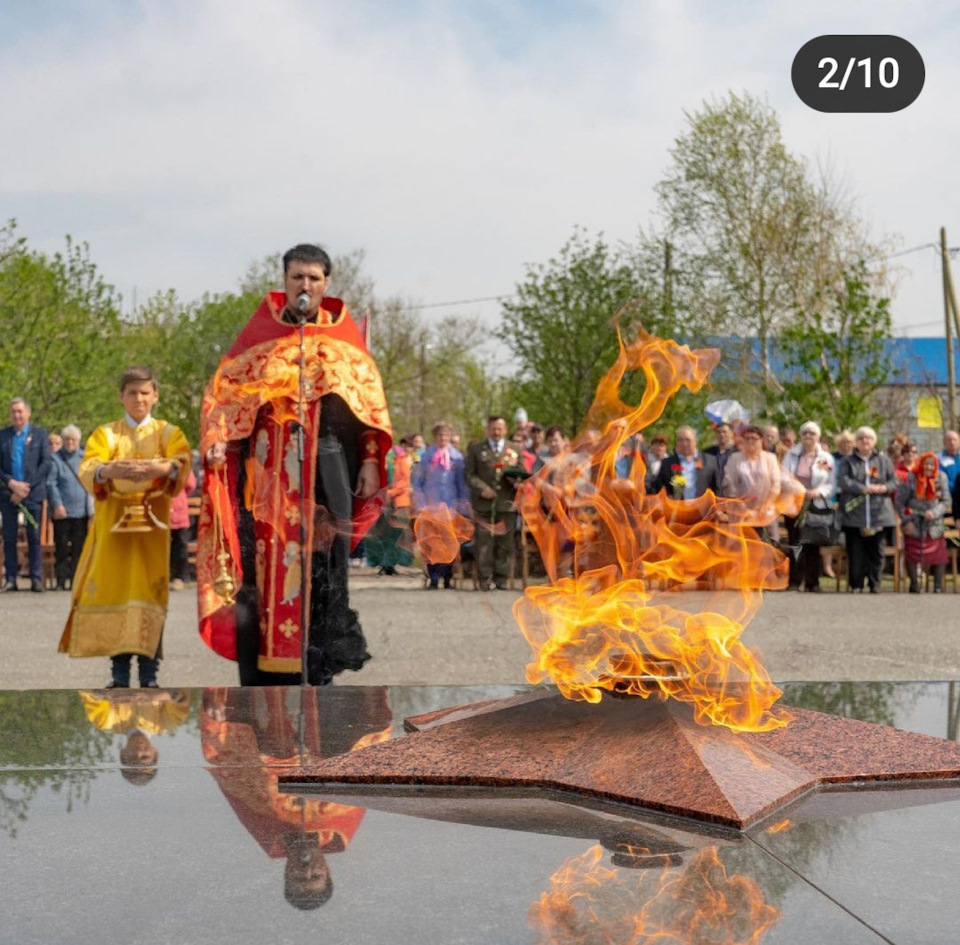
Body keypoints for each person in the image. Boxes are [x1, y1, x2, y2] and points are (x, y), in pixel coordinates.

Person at [198, 243, 391, 686]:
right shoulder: (259, 337)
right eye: (297, 277)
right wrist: (215, 441)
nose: (306, 285)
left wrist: (370, 458)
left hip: (327, 467)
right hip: (266, 475)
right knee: (261, 565)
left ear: (326, 284)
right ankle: (265, 672)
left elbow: (369, 408)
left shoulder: (343, 341)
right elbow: (224, 399)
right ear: (284, 281)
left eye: (314, 278)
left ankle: (318, 668)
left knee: (325, 563)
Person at [58, 368, 191, 687]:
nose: (139, 399)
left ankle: (149, 674)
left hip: (151, 534)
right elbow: (89, 467)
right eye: (132, 392)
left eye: (145, 393)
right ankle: (118, 674)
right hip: (113, 535)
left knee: (150, 599)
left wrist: (164, 467)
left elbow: (181, 463)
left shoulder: (168, 432)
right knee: (116, 598)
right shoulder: (107, 434)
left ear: (156, 396)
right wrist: (109, 470)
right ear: (121, 396)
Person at [0, 397, 53, 592]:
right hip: (8, 494)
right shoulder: (3, 436)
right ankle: (11, 578)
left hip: (33, 494)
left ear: (28, 413)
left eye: (20, 411)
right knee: (9, 536)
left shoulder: (39, 435)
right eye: (13, 411)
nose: (16, 415)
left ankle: (36, 578)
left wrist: (25, 488)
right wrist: (12, 484)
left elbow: (45, 464)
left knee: (34, 536)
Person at [837, 426, 897, 593]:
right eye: (861, 438)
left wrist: (883, 487)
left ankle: (875, 584)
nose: (865, 441)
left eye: (868, 438)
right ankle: (856, 584)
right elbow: (843, 480)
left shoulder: (883, 460)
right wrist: (862, 488)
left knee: (877, 551)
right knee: (856, 552)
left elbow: (894, 481)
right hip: (855, 516)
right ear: (856, 441)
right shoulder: (847, 461)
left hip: (879, 515)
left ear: (874, 441)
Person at [412, 421, 469, 589]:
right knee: (432, 543)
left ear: (450, 437)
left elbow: (461, 485)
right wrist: (421, 505)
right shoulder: (426, 457)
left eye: (446, 435)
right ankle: (434, 577)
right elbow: (418, 483)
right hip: (431, 506)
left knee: (449, 543)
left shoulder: (457, 458)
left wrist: (462, 505)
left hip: (450, 506)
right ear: (435, 437)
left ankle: (447, 578)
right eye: (440, 435)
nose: (443, 438)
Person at [465, 415, 518, 590]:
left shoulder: (514, 449)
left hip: (506, 503)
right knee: (483, 542)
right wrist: (482, 489)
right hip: (484, 504)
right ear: (487, 429)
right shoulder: (476, 449)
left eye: (499, 429)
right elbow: (469, 474)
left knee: (505, 543)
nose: (496, 432)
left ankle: (502, 579)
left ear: (505, 430)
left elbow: (522, 472)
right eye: (493, 428)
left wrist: (518, 482)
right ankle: (485, 579)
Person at [781, 421, 835, 592]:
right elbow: (784, 477)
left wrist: (818, 492)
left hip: (816, 505)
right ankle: (795, 581)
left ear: (818, 437)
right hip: (795, 504)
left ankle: (813, 582)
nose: (808, 436)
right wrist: (800, 490)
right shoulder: (792, 454)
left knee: (813, 543)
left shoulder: (825, 458)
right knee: (795, 542)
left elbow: (831, 483)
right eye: (805, 433)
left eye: (812, 433)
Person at [46, 424, 94, 590]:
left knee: (78, 549)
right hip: (62, 512)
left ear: (78, 440)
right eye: (67, 439)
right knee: (61, 547)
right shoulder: (55, 458)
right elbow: (51, 483)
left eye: (73, 439)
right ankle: (60, 581)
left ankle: (76, 580)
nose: (70, 442)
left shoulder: (85, 457)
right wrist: (58, 504)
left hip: (81, 512)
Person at [897, 452, 951, 593]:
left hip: (934, 523)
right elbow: (899, 502)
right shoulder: (910, 478)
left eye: (931, 464)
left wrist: (934, 512)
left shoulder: (942, 477)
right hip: (914, 521)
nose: (928, 467)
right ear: (921, 463)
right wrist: (906, 520)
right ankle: (914, 584)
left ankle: (937, 586)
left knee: (940, 555)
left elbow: (946, 501)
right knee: (912, 553)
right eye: (926, 463)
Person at [721, 424, 781, 529]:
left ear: (761, 440)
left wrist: (766, 506)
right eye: (747, 438)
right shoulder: (734, 458)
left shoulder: (770, 458)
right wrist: (740, 505)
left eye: (754, 438)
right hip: (740, 512)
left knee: (765, 543)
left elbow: (776, 484)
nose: (750, 441)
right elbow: (728, 483)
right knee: (741, 543)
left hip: (765, 512)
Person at [651, 426, 721, 500]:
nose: (684, 443)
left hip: (702, 508)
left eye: (688, 440)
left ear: (695, 441)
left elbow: (717, 488)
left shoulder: (710, 460)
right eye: (680, 440)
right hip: (676, 508)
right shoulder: (667, 463)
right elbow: (658, 487)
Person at [168, 468, 198, 591]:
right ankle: (177, 577)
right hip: (174, 506)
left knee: (180, 545)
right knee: (180, 545)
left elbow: (191, 484)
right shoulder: (181, 464)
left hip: (177, 509)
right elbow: (190, 485)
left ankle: (179, 576)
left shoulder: (182, 465)